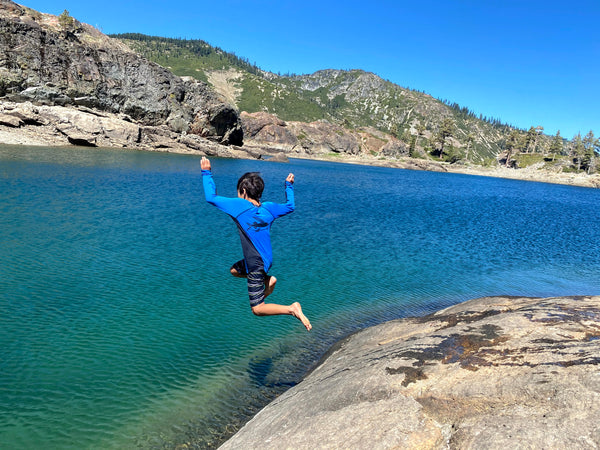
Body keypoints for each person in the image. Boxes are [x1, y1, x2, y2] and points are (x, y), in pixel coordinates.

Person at [200, 157, 312, 331]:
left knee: (257, 309)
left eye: (238, 191)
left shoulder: (239, 206)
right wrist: (288, 186)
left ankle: (292, 309)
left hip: (255, 263)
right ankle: (267, 280)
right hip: (265, 260)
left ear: (244, 191)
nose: (238, 195)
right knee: (234, 271)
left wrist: (206, 172)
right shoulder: (268, 208)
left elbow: (211, 197)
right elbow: (290, 206)